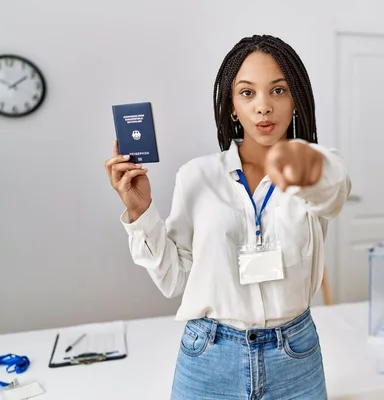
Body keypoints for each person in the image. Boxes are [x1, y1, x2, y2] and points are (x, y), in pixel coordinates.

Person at [104, 34, 351, 400]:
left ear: (296, 100)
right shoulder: (196, 175)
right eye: (248, 93)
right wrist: (141, 212)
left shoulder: (316, 168)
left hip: (295, 358)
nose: (263, 107)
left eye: (279, 90)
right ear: (232, 106)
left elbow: (331, 191)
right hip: (209, 357)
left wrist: (309, 165)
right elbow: (175, 281)